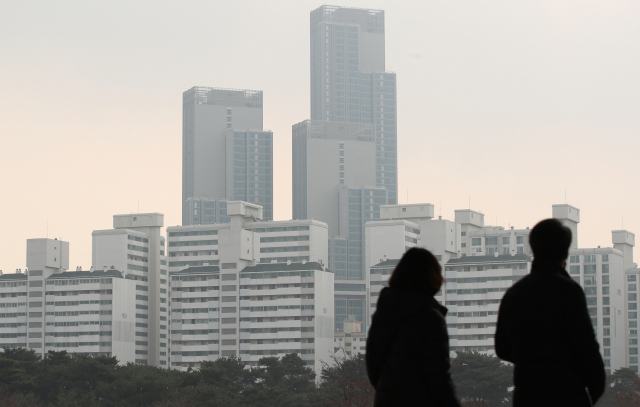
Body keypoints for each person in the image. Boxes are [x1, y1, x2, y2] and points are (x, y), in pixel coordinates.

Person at [495, 219, 606, 406]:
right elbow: (586, 347)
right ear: (565, 252)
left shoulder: (514, 294)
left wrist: (531, 362)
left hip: (527, 396)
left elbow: (502, 348)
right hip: (567, 394)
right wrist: (594, 390)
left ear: (533, 247)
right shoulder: (568, 291)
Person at [366, 247, 461, 406]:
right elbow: (438, 376)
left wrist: (388, 389)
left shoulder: (383, 314)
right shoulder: (430, 318)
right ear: (433, 277)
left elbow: (373, 364)